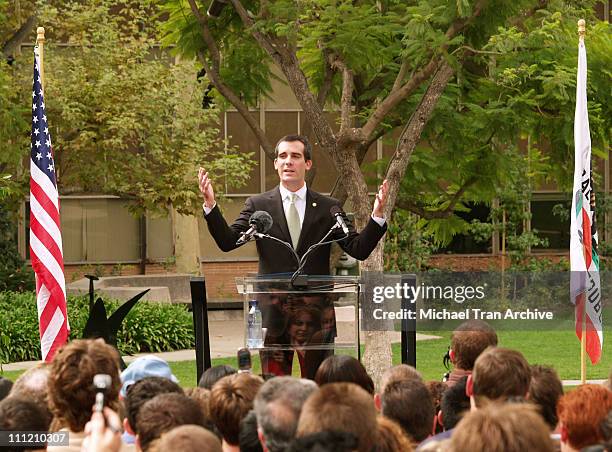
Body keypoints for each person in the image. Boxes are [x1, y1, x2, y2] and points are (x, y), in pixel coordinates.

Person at [199, 134, 388, 377]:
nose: (288, 161)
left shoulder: (329, 207)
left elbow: (358, 248)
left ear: (307, 164)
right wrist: (211, 206)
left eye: (295, 156)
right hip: (273, 315)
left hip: (316, 317)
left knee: (319, 385)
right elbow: (228, 242)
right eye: (282, 156)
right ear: (276, 164)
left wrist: (377, 217)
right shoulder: (258, 205)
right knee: (275, 390)